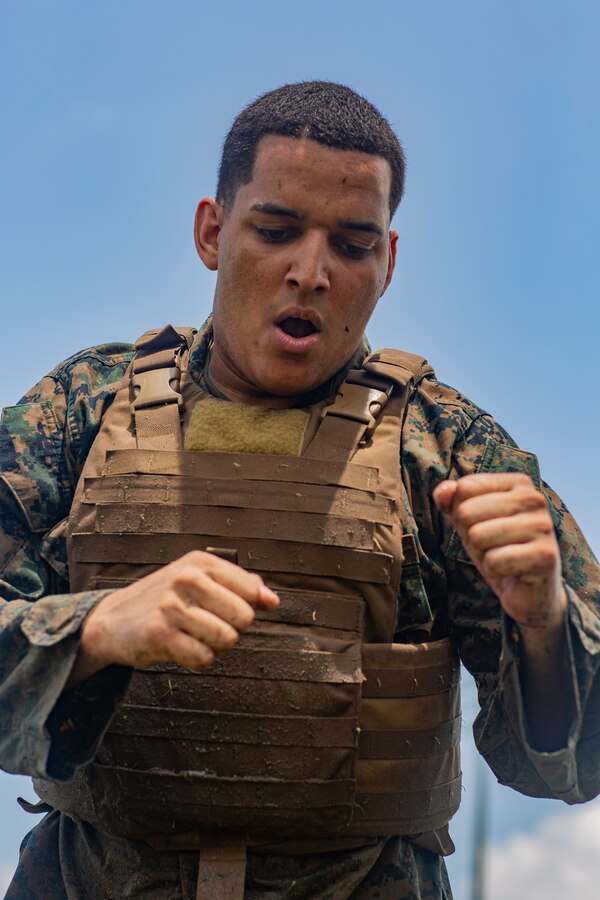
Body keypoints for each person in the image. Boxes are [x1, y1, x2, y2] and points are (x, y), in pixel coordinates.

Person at [0, 81, 598, 900]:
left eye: (352, 246)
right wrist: (93, 627)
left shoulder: (453, 453)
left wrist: (545, 624)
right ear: (213, 233)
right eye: (276, 231)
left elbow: (574, 766)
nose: (309, 273)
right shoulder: (79, 414)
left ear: (387, 263)